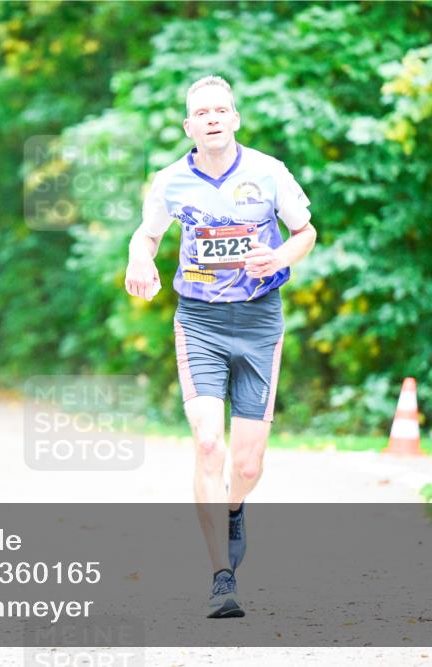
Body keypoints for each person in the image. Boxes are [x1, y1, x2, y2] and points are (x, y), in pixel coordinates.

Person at [125, 76, 317, 618]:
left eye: (221, 110)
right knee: (209, 444)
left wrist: (280, 259)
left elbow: (305, 232)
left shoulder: (269, 172)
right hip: (200, 322)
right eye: (201, 112)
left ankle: (234, 507)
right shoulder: (170, 182)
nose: (211, 118)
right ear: (189, 126)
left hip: (259, 322)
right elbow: (147, 235)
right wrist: (140, 258)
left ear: (234, 119)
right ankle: (221, 576)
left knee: (248, 465)